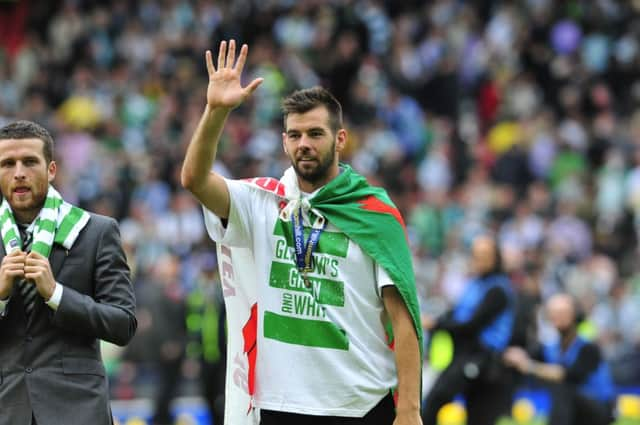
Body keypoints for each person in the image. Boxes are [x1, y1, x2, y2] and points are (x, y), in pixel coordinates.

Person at [181, 40, 423, 425]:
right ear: (283, 141)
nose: (304, 145)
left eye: (315, 134)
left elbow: (404, 317)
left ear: (339, 140)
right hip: (282, 405)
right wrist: (215, 111)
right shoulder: (261, 201)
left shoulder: (374, 215)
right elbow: (194, 180)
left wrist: (409, 409)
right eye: (294, 136)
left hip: (359, 405)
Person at [0, 120, 137, 425]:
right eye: (7, 163)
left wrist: (56, 295)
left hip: (77, 410)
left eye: (30, 162)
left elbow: (123, 324)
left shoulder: (96, 232)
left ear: (51, 170)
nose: (19, 172)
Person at [421, 235, 516, 425]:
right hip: (462, 353)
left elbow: (472, 325)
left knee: (436, 402)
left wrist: (436, 325)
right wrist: (437, 320)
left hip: (481, 357)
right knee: (432, 404)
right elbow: (455, 313)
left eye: (485, 254)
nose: (479, 259)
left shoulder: (498, 289)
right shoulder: (474, 284)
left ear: (496, 258)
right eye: (476, 254)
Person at [503, 293, 615, 425]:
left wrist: (530, 366)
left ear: (575, 314)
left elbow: (568, 375)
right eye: (554, 313)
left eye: (563, 313)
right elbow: (527, 357)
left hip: (599, 408)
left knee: (563, 390)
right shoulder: (550, 347)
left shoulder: (588, 348)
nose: (558, 318)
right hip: (570, 410)